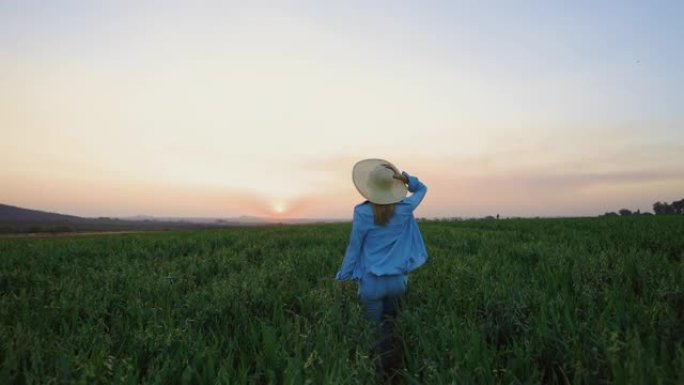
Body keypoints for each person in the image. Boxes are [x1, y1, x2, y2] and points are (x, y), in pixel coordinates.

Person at [335, 158, 428, 380]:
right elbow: (423, 189)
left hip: (371, 284)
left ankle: (376, 373)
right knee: (391, 324)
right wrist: (407, 179)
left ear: (370, 188)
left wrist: (343, 278)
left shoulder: (363, 213)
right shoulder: (406, 208)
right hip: (398, 283)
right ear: (392, 187)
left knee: (372, 330)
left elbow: (353, 249)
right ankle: (393, 367)